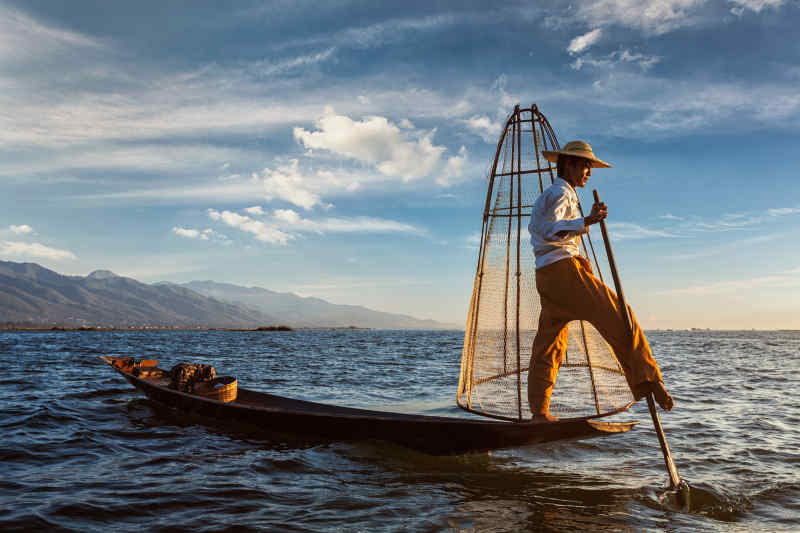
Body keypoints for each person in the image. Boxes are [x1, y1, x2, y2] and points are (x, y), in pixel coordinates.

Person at [527, 140, 673, 423]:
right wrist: (588, 220)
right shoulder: (561, 193)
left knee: (550, 344)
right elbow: (549, 230)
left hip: (547, 276)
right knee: (621, 316)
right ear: (568, 165)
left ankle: (539, 412)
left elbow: (541, 229)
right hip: (563, 272)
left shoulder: (553, 195)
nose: (588, 173)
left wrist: (583, 222)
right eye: (584, 166)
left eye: (589, 167)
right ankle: (649, 380)